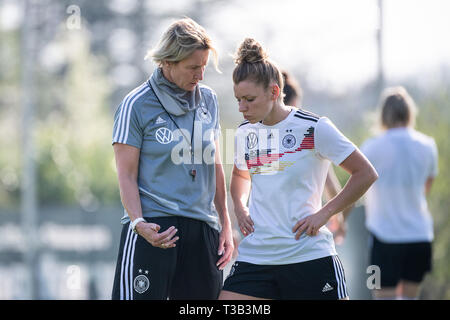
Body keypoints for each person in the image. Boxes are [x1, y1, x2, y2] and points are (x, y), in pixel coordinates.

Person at [219, 38, 378, 300]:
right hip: (257, 257)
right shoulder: (244, 133)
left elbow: (366, 174)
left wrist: (324, 214)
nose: (242, 108)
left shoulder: (315, 128)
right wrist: (239, 204)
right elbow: (240, 174)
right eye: (238, 100)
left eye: (249, 99)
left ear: (273, 91)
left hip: (309, 257)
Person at [111, 17, 234, 300]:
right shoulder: (136, 105)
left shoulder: (210, 101)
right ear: (167, 61)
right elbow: (126, 175)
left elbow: (214, 163)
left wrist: (225, 222)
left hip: (203, 230)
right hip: (154, 228)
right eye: (193, 68)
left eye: (203, 67)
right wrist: (138, 223)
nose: (200, 75)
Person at [360, 86, 438, 300]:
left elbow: (359, 183)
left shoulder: (371, 147)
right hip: (419, 236)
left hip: (384, 236)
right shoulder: (428, 145)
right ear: (410, 113)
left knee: (381, 297)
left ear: (383, 115)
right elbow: (426, 188)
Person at [282, 70, 352, 245]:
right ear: (294, 102)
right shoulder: (307, 134)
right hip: (301, 235)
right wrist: (338, 217)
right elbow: (330, 185)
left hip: (267, 239)